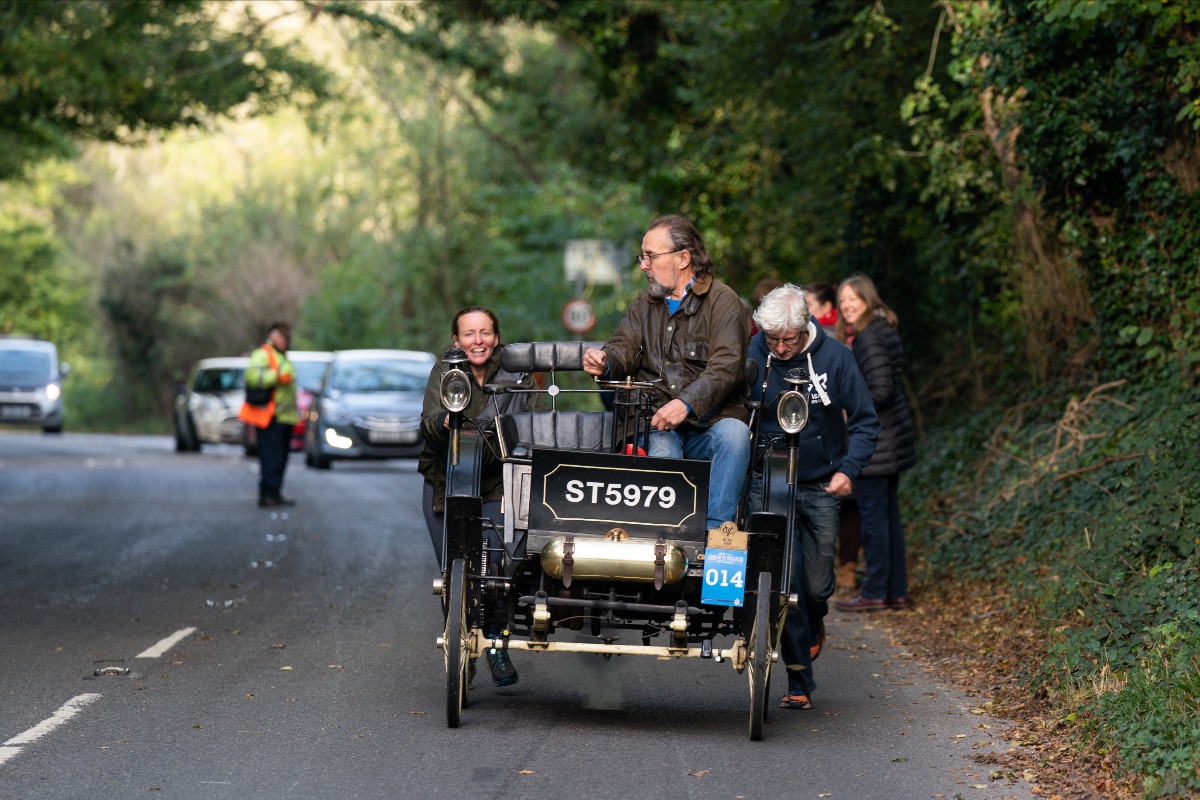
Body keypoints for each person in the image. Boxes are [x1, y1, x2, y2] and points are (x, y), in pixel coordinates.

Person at [747, 283, 879, 710]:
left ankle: (817, 622)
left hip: (821, 482)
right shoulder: (753, 353)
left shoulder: (837, 358)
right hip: (768, 481)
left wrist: (848, 470)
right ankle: (799, 679)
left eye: (789, 339)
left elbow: (865, 421)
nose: (781, 348)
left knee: (818, 587)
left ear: (806, 327)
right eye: (773, 340)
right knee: (784, 582)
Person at [582, 214, 751, 529]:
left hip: (708, 424)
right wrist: (604, 361)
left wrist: (686, 402)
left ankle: (715, 535)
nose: (643, 265)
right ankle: (667, 539)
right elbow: (622, 348)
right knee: (663, 446)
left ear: (683, 258)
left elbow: (726, 365)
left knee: (736, 435)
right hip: (654, 424)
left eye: (651, 256)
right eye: (642, 257)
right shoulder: (643, 304)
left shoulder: (724, 301)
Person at [418, 306, 544, 687]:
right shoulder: (445, 371)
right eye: (469, 334)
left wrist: (519, 476)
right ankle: (460, 646)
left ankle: (496, 645)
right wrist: (444, 420)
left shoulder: (518, 373)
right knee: (454, 569)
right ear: (456, 340)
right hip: (449, 481)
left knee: (495, 567)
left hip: (500, 481)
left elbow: (536, 428)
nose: (478, 341)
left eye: (485, 333)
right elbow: (427, 424)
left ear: (496, 336)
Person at [834, 275, 917, 612]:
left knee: (874, 519)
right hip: (892, 438)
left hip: (877, 442)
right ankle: (895, 590)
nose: (847, 305)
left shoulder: (868, 336)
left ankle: (875, 591)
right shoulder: (881, 329)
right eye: (842, 301)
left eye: (853, 298)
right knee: (887, 517)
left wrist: (846, 406)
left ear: (868, 299)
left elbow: (879, 390)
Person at [804, 281, 858, 591]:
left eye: (810, 303)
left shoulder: (833, 342)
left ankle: (846, 565)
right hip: (826, 434)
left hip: (835, 430)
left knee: (846, 500)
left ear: (825, 308)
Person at [239, 323, 299, 508]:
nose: (284, 341)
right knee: (270, 457)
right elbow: (251, 376)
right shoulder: (263, 354)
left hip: (285, 417)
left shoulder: (281, 356)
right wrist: (277, 377)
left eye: (286, 338)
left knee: (280, 458)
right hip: (270, 417)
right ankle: (267, 494)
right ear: (272, 337)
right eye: (281, 338)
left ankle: (275, 493)